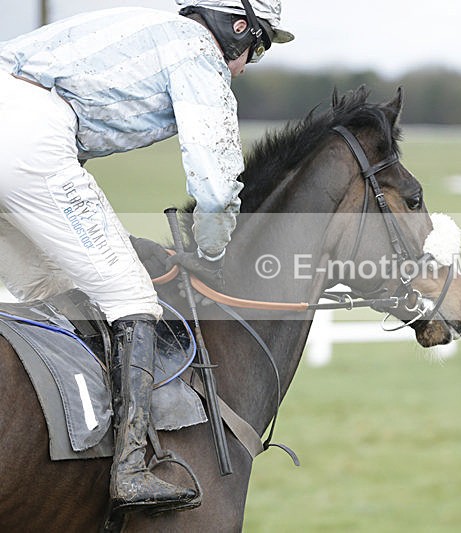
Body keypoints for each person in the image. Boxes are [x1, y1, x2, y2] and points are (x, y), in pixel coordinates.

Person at [0, 0, 293, 514]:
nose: (249, 65)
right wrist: (210, 248)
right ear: (238, 26)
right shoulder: (201, 53)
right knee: (131, 295)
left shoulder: (145, 24)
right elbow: (217, 187)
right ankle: (131, 468)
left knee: (57, 292)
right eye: (259, 47)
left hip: (16, 124)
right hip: (28, 139)